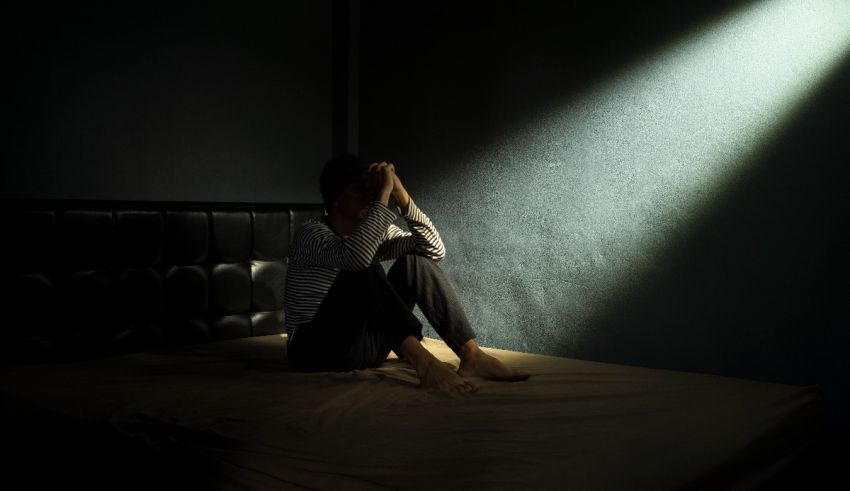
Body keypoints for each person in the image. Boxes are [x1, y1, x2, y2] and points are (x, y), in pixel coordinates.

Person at [284, 154, 530, 393]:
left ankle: (471, 356)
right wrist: (382, 195)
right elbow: (355, 257)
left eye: (373, 191)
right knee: (362, 268)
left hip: (362, 348)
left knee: (414, 261)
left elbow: (434, 250)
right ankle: (426, 365)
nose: (371, 197)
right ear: (336, 198)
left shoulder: (374, 232)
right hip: (314, 350)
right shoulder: (311, 235)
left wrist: (401, 195)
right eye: (361, 190)